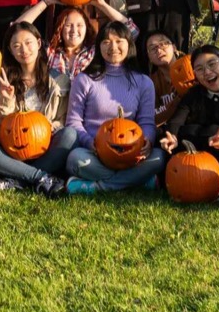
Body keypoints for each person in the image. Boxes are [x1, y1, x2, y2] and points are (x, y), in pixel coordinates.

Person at [0, 23, 78, 198]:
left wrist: (50, 128)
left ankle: (18, 181)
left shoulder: (60, 81)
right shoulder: (4, 81)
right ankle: (40, 177)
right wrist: (6, 99)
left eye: (28, 43)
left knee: (70, 135)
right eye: (16, 45)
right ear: (10, 50)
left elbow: (63, 118)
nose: (24, 50)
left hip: (46, 147)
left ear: (38, 43)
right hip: (13, 151)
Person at [65, 22, 165, 195]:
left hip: (130, 153)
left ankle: (99, 187)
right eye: (106, 42)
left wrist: (147, 141)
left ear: (129, 44)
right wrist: (91, 143)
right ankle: (136, 181)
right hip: (93, 153)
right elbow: (73, 121)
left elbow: (147, 122)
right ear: (99, 47)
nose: (113, 47)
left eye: (119, 41)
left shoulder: (143, 82)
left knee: (159, 157)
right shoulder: (85, 79)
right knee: (75, 159)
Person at [160, 45, 219, 184]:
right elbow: (176, 121)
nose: (207, 72)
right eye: (199, 69)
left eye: (212, 64)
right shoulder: (193, 95)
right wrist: (173, 136)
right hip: (197, 151)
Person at [141, 31, 185, 130]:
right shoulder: (150, 83)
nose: (159, 50)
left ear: (174, 47)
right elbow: (153, 117)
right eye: (153, 48)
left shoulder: (192, 66)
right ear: (149, 58)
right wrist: (175, 101)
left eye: (163, 44)